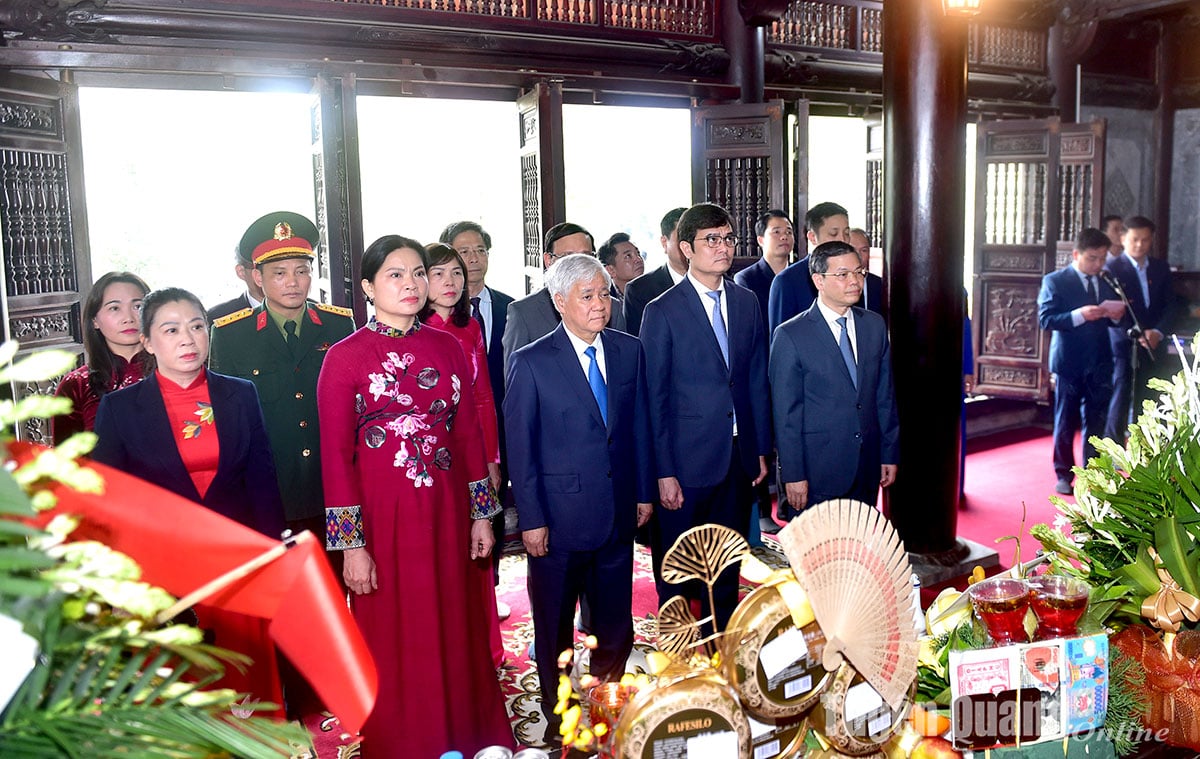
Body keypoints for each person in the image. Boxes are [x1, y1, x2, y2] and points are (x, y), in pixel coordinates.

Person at [317, 235, 511, 755]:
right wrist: (351, 545)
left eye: (418, 273)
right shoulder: (344, 358)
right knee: (397, 633)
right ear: (367, 287)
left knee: (455, 625)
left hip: (448, 513)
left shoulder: (447, 346)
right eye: (395, 275)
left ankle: (467, 735)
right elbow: (336, 459)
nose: (411, 284)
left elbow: (468, 438)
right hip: (383, 521)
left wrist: (480, 518)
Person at [91, 287, 286, 710]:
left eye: (197, 327)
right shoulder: (120, 409)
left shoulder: (239, 395)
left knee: (244, 686)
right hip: (162, 573)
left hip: (237, 567)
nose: (187, 339)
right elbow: (106, 502)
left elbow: (262, 482)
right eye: (171, 329)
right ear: (146, 341)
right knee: (184, 692)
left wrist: (274, 556)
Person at [504, 254, 655, 734]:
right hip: (557, 518)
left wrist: (644, 492)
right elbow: (521, 451)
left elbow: (639, 430)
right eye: (587, 296)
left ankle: (609, 698)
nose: (599, 305)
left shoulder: (629, 351)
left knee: (615, 620)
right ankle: (557, 711)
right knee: (553, 624)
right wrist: (531, 519)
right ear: (559, 301)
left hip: (616, 511)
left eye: (604, 294)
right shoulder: (531, 363)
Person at [640, 202, 771, 634]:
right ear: (686, 248)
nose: (723, 247)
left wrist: (759, 449)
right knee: (678, 566)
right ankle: (676, 646)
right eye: (711, 239)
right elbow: (653, 399)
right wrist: (663, 472)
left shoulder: (747, 301)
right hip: (684, 460)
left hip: (736, 454)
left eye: (728, 238)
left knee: (728, 559)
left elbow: (754, 381)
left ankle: (723, 643)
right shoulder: (662, 310)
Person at [419, 242, 506, 665]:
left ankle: (482, 644)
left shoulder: (470, 327)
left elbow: (483, 397)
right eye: (438, 274)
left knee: (480, 540)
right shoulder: (417, 331)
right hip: (432, 459)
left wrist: (491, 458)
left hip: (474, 452)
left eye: (456, 273)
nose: (451, 282)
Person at [769, 241, 900, 511]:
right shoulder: (791, 335)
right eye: (842, 275)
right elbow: (786, 415)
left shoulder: (874, 326)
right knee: (819, 552)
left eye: (859, 272)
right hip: (818, 470)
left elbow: (884, 397)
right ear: (819, 280)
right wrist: (793, 474)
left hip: (866, 464)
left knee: (859, 548)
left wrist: (889, 453)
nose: (854, 281)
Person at [441, 220, 515, 620]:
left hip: (499, 423)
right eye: (462, 253)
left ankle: (491, 584)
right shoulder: (426, 319)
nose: (472, 260)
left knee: (494, 508)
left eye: (478, 251)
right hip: (449, 436)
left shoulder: (510, 305)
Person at [1038, 227, 1127, 495]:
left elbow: (1121, 319)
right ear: (1076, 254)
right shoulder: (1055, 281)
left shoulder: (1107, 280)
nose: (1098, 264)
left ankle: (1092, 472)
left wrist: (1115, 314)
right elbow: (1046, 319)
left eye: (1103, 258)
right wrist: (1079, 315)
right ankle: (1063, 473)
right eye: (1092, 258)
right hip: (1069, 361)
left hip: (1101, 360)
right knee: (1066, 419)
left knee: (1096, 420)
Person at [502, 221, 625, 375]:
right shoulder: (523, 312)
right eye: (568, 257)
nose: (578, 264)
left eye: (586, 256)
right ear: (548, 260)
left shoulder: (612, 307)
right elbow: (516, 378)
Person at [52, 271, 151, 444]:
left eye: (138, 306)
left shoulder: (176, 372)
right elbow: (65, 463)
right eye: (114, 308)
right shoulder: (76, 385)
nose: (128, 318)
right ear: (94, 321)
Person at [1104, 215, 1175, 444]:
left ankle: (1147, 446)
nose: (1139, 245)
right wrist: (1135, 333)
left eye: (1145, 240)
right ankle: (1114, 448)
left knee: (1152, 395)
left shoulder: (1160, 268)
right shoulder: (1111, 269)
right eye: (1134, 239)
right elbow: (1111, 309)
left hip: (1155, 341)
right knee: (1121, 394)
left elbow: (1171, 305)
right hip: (1124, 343)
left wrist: (1158, 332)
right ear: (1123, 238)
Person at [767, 202, 852, 336]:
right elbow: (781, 340)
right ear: (812, 237)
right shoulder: (787, 281)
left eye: (846, 233)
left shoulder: (854, 276)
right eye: (833, 234)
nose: (842, 240)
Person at [622, 207, 688, 336]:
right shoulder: (639, 290)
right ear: (664, 242)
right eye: (682, 239)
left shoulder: (723, 284)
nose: (688, 246)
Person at [735, 209, 794, 338]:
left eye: (789, 232)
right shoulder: (746, 279)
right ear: (761, 240)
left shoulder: (801, 275)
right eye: (776, 232)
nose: (784, 236)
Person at [207, 241, 266, 322]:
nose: (270, 275)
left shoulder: (289, 311)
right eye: (259, 269)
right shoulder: (218, 317)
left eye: (279, 271)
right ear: (241, 272)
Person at [848, 227, 885, 318]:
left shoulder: (881, 285)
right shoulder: (835, 283)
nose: (859, 256)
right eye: (853, 250)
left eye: (864, 250)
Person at [598, 232, 646, 298]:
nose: (638, 259)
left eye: (638, 253)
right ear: (611, 270)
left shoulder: (656, 288)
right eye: (628, 256)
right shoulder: (608, 302)